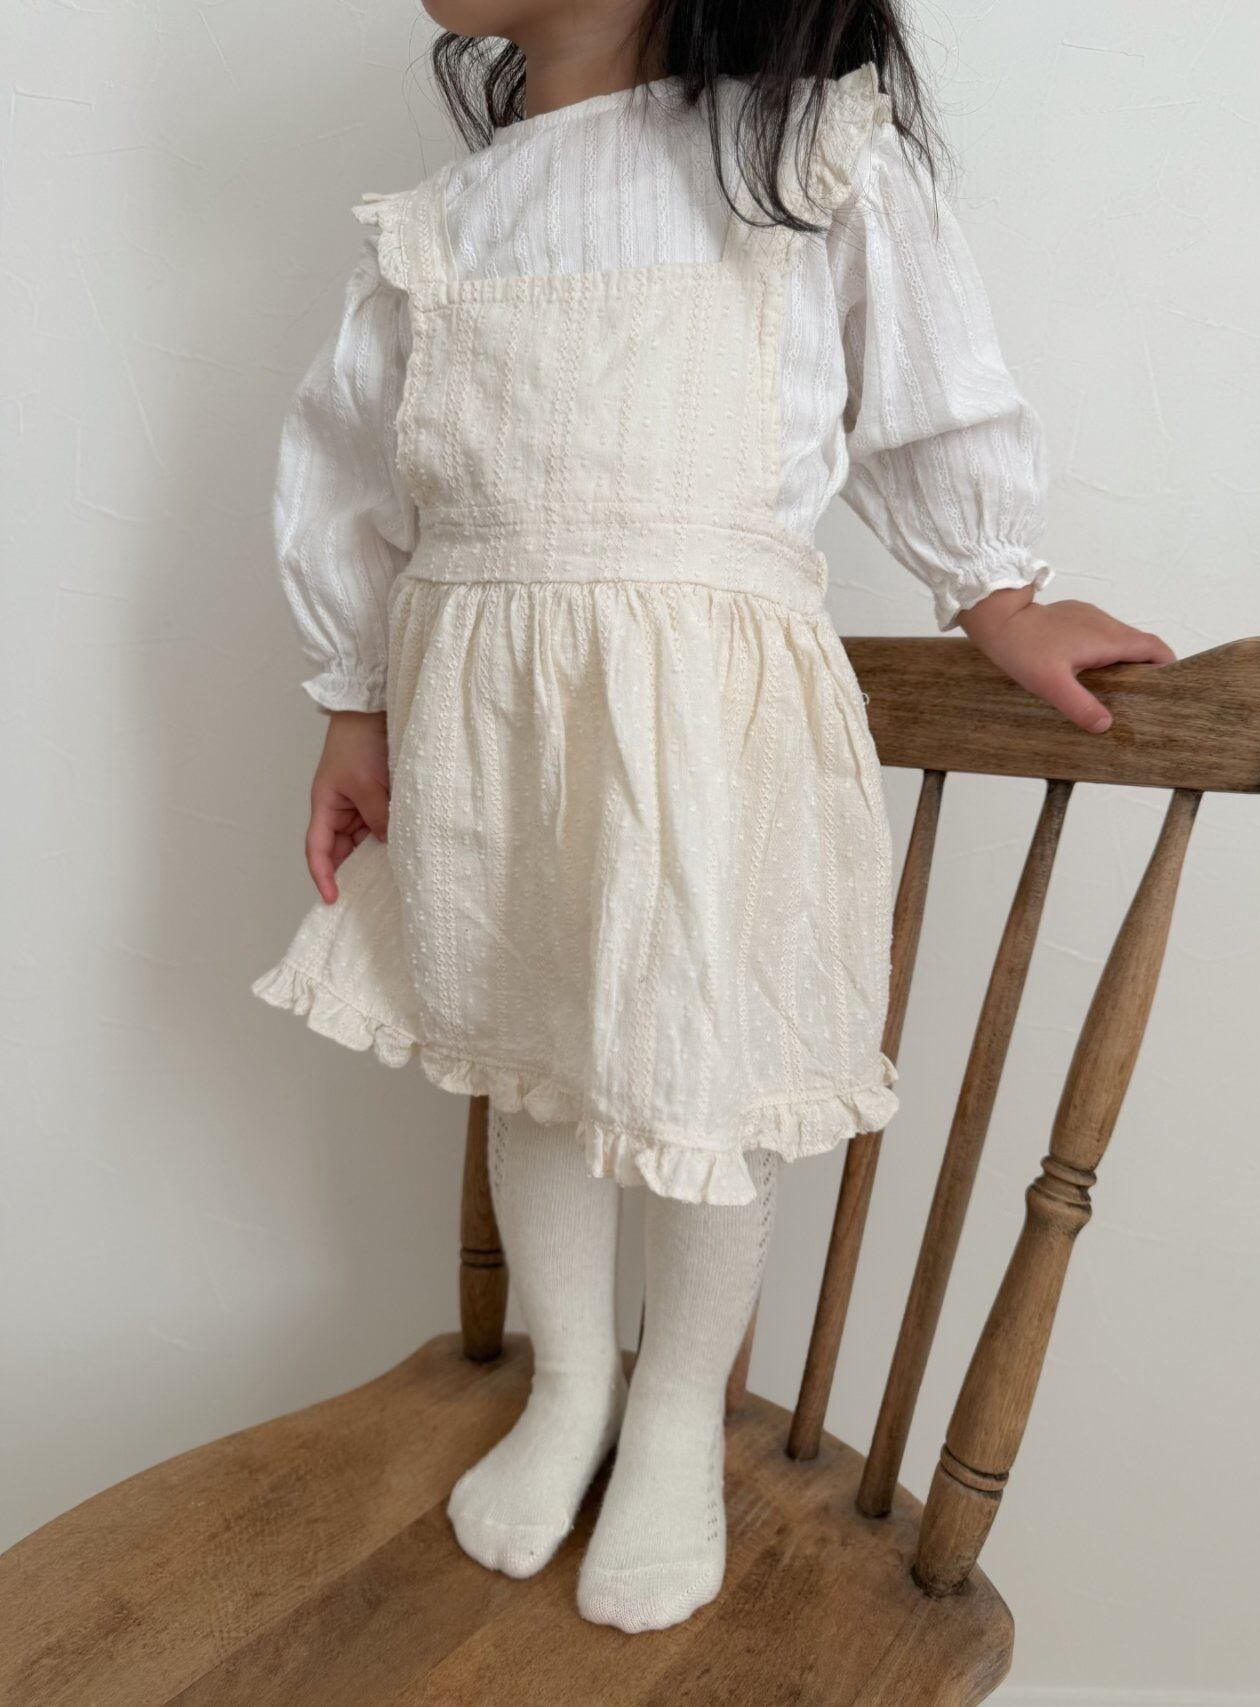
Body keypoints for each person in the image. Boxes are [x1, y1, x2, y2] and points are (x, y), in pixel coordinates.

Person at [252, 0, 1174, 1634]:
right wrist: (352, 700)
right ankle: (570, 1385)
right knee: (532, 1055)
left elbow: (928, 387)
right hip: (494, 726)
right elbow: (352, 468)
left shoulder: (803, 160)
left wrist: (998, 591)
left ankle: (676, 1409)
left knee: (702, 1069)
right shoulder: (441, 223)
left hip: (703, 722)